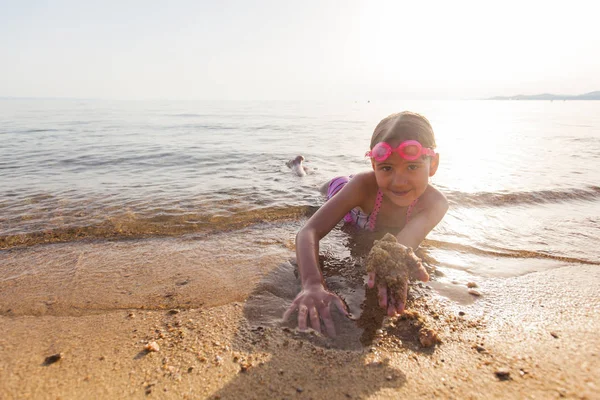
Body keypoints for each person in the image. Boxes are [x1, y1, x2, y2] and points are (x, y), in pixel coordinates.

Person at [283, 111, 448, 337]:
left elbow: (400, 244)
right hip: (341, 189)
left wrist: (393, 265)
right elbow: (308, 232)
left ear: (433, 164)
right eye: (387, 168)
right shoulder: (363, 185)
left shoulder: (435, 204)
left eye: (412, 167)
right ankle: (297, 167)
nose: (399, 181)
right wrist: (312, 284)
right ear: (374, 164)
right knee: (307, 183)